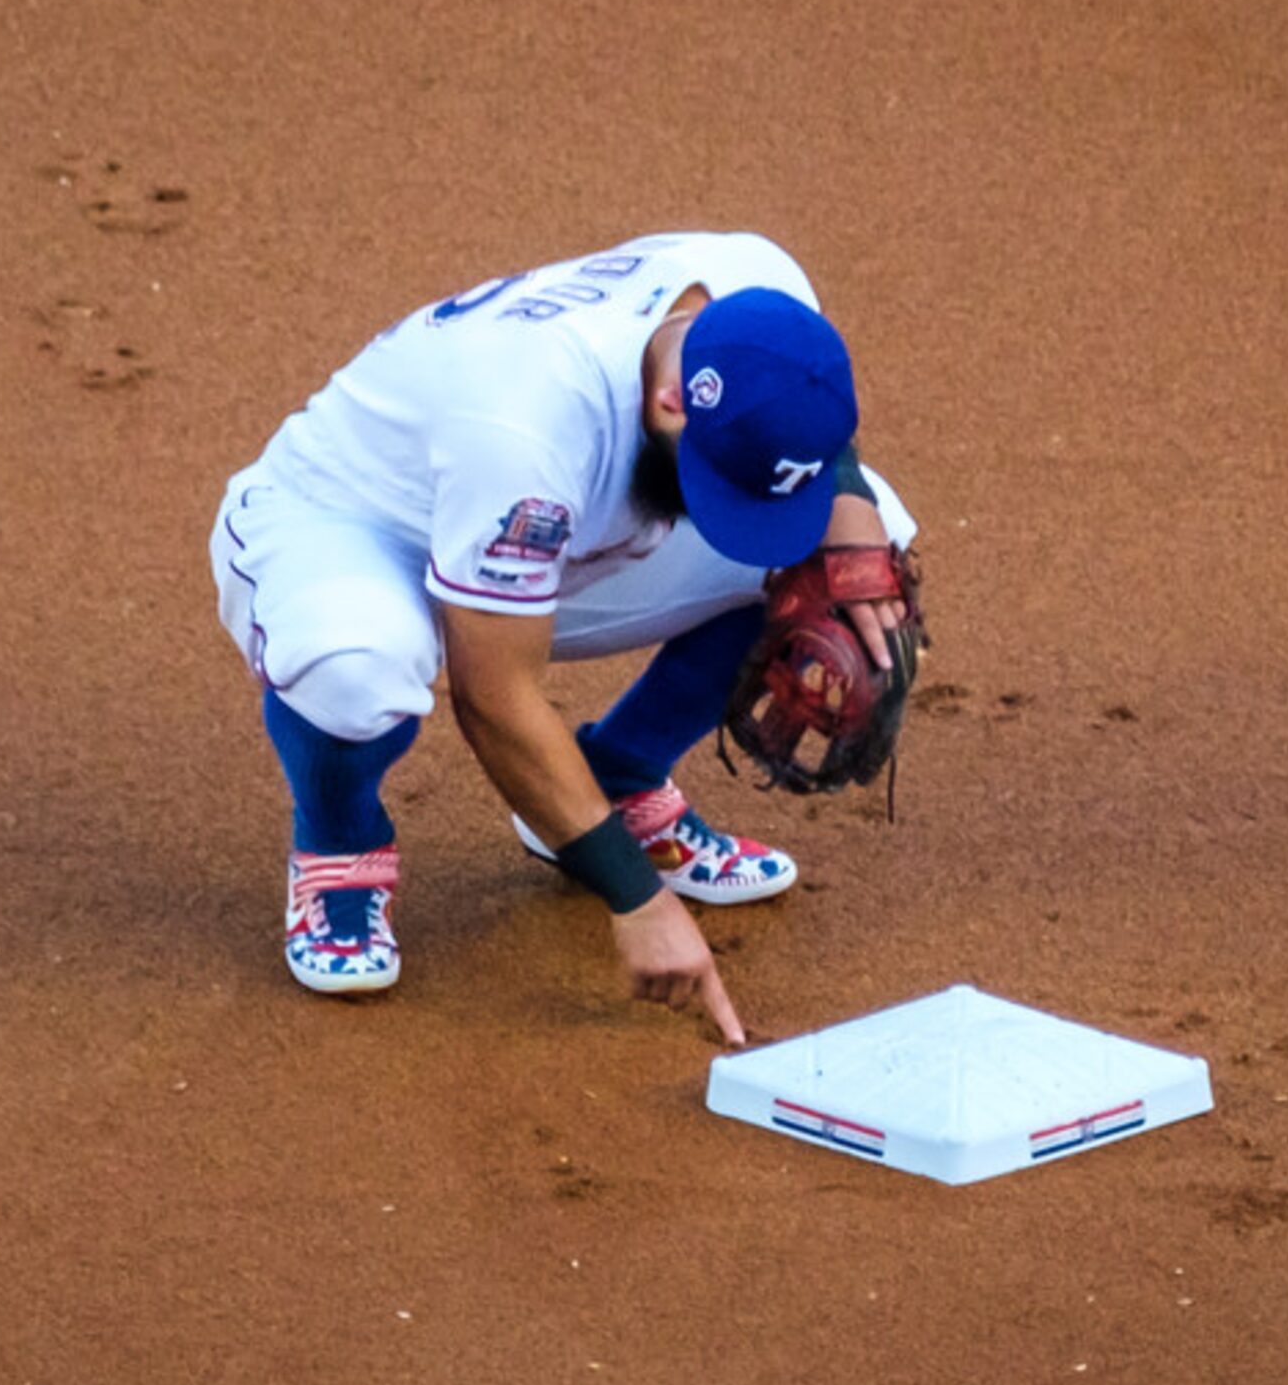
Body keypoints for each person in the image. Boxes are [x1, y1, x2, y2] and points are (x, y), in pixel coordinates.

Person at [209, 232, 919, 1043]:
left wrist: (852, 504)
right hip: (353, 524)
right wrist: (635, 899)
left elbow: (803, 404)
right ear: (671, 403)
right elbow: (495, 697)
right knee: (359, 664)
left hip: (558, 526)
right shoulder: (526, 426)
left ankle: (618, 778)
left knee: (841, 559)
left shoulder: (760, 289)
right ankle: (338, 841)